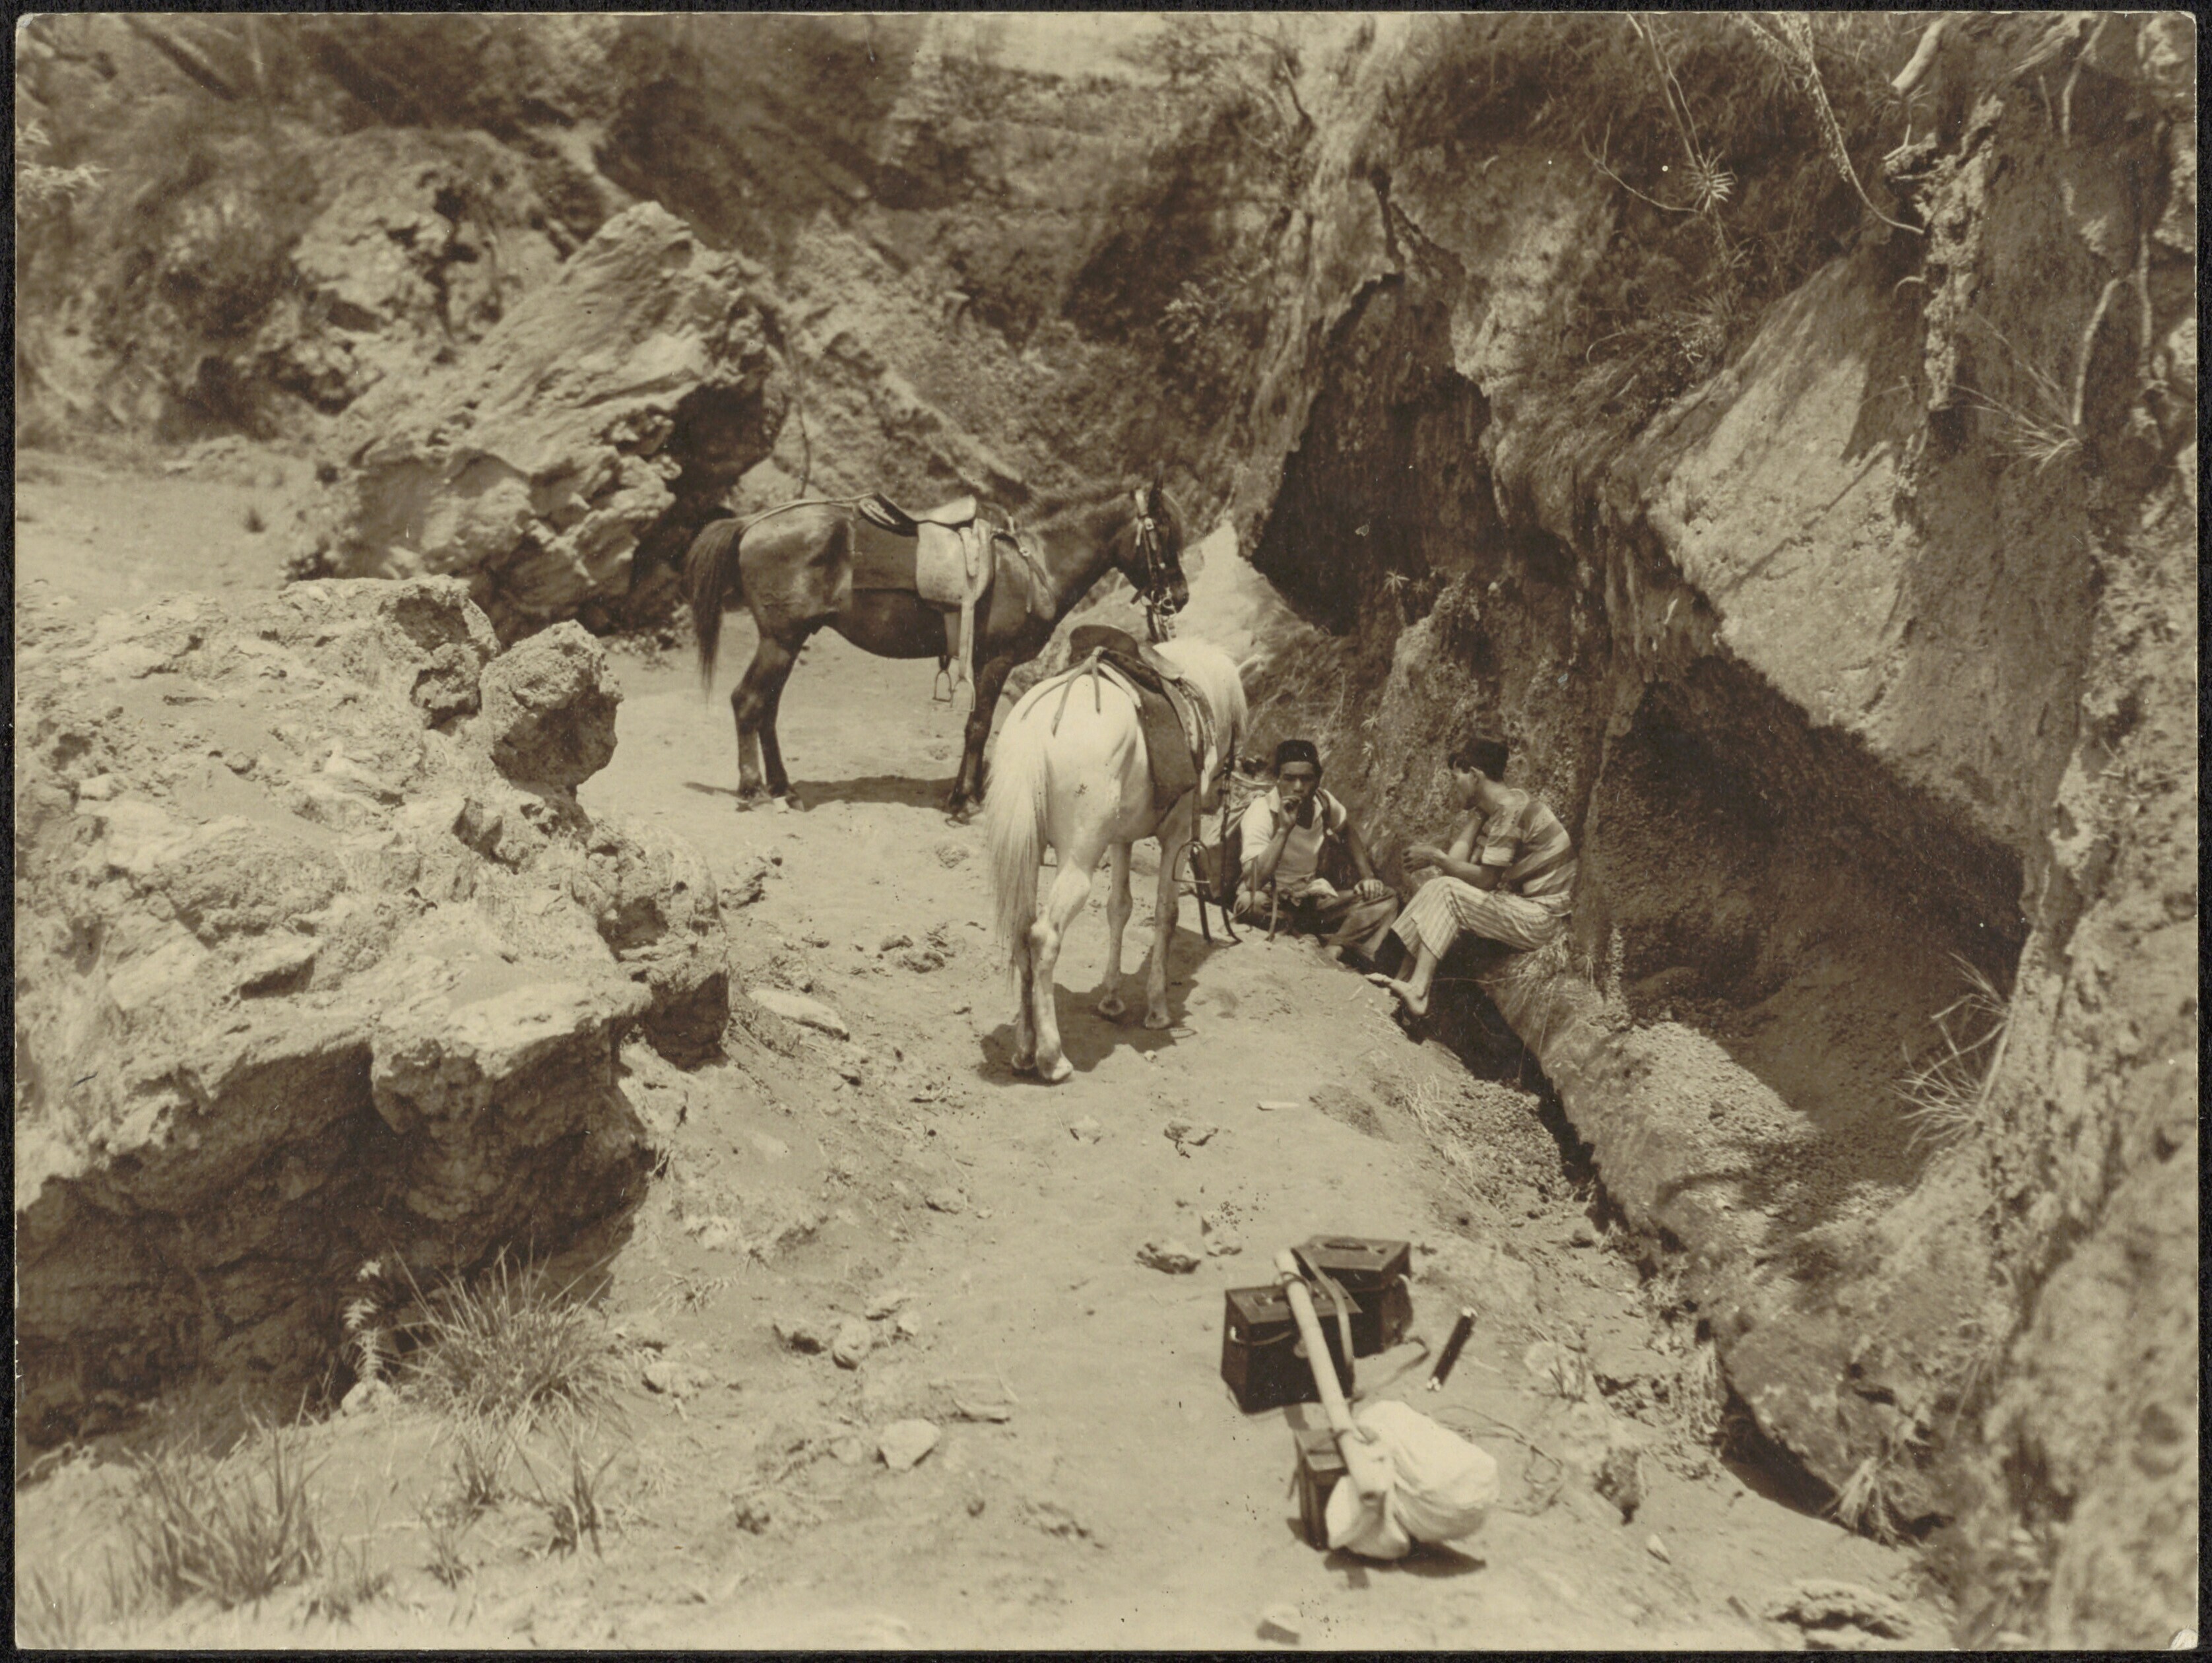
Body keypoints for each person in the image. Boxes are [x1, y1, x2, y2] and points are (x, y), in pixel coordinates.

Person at [1368, 735, 1575, 1018]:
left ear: (1475, 776)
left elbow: (1484, 880)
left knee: (1445, 890)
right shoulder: (1500, 809)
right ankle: (1402, 982)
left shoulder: (1511, 809)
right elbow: (1459, 865)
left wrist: (1435, 856)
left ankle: (1418, 990)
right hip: (1530, 911)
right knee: (1438, 887)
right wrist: (1477, 816)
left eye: (1457, 779)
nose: (1454, 787)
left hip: (1544, 919)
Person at [1239, 738, 1398, 954]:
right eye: (1290, 779)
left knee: (1385, 898)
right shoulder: (1262, 811)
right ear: (1278, 780)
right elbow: (1253, 881)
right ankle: (1307, 935)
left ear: (1318, 779)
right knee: (1250, 903)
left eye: (1306, 779)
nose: (1298, 787)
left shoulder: (1323, 802)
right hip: (1272, 898)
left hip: (1310, 899)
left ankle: (1334, 948)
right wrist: (1284, 830)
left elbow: (1347, 830)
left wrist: (1367, 876)